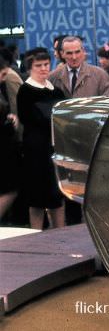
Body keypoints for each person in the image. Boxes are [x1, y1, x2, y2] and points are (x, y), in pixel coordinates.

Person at [16, 48, 66, 230]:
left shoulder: (56, 91)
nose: (44, 68)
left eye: (46, 64)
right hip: (36, 151)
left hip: (55, 147)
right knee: (36, 198)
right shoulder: (25, 91)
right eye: (39, 65)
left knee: (57, 196)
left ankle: (61, 235)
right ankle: (35, 236)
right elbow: (27, 118)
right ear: (30, 67)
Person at [0, 56, 21, 220]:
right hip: (3, 148)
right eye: (2, 74)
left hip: (5, 146)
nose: (4, 78)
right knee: (10, 190)